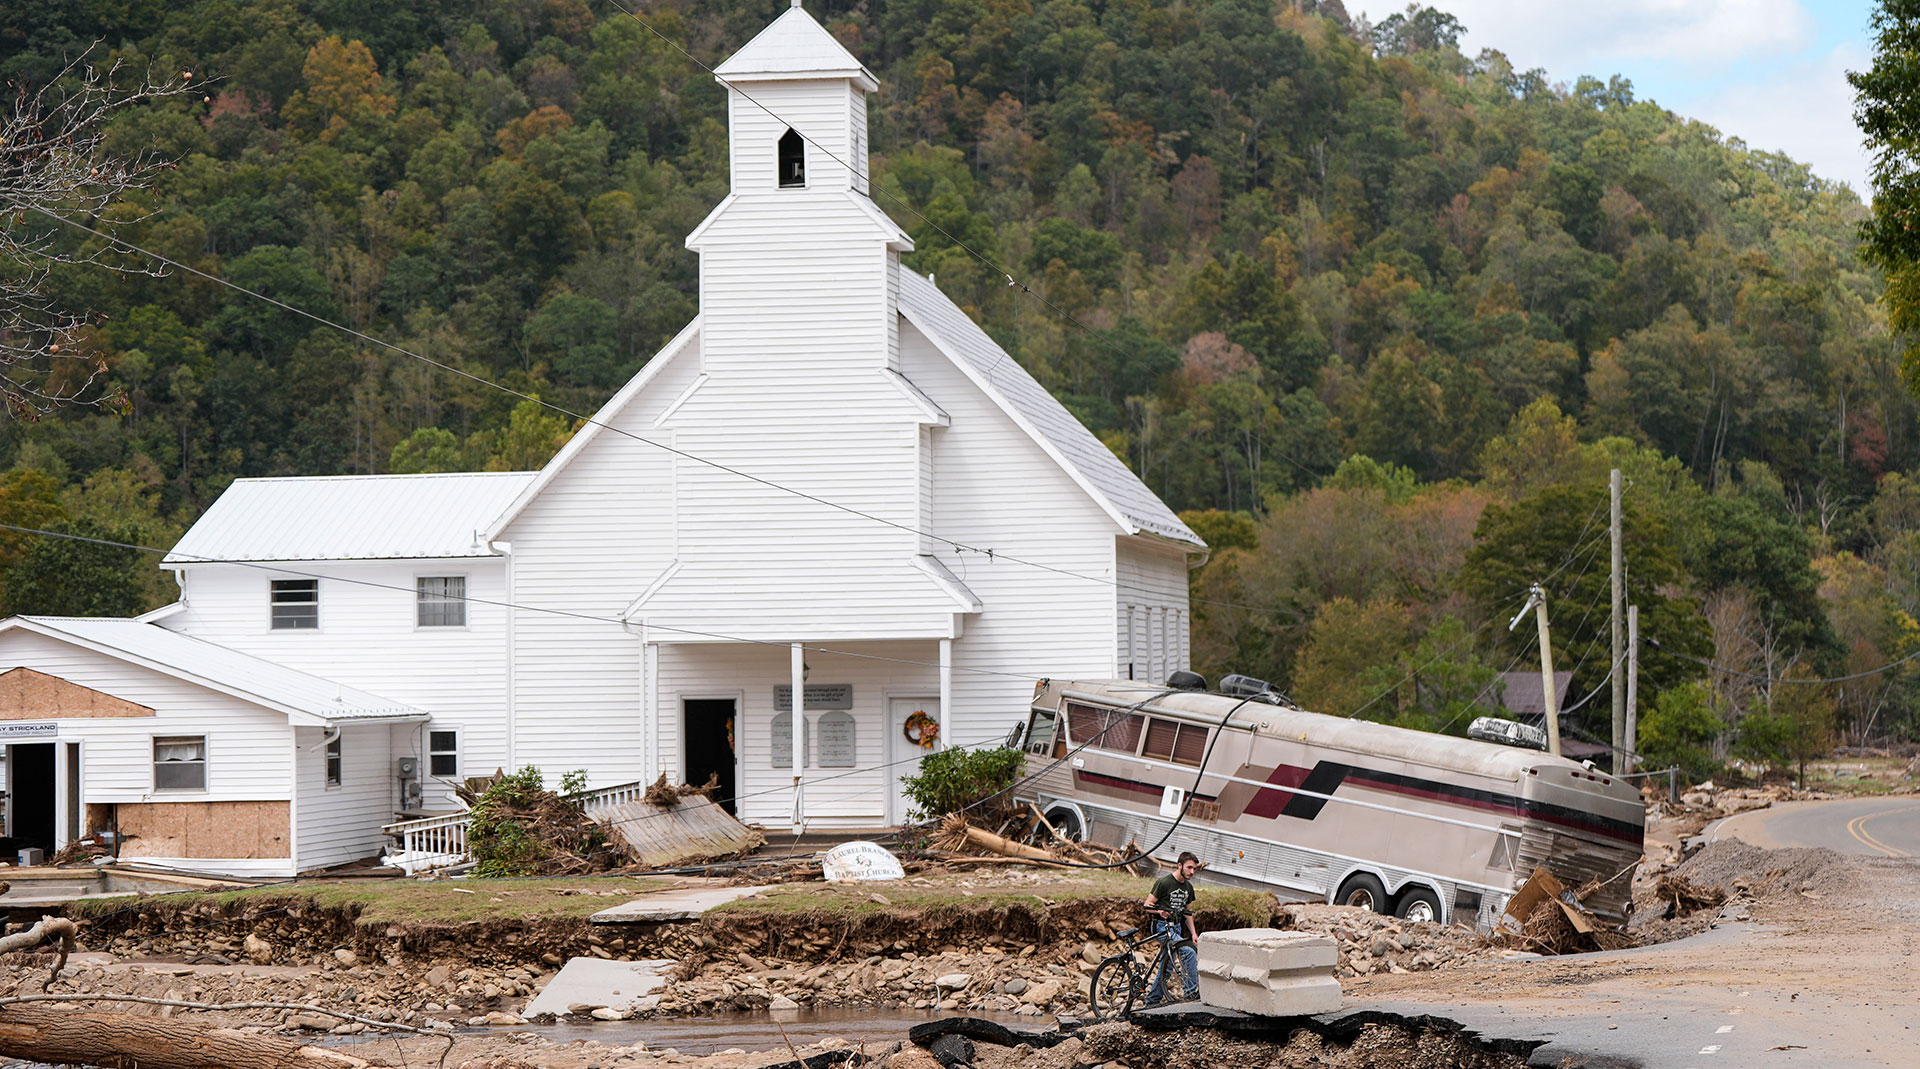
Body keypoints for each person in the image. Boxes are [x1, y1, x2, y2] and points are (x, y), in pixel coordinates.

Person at [1142, 851, 1200, 1005]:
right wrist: (1159, 911)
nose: (1192, 872)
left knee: (1167, 966)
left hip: (1177, 928)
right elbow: (1147, 905)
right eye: (1189, 868)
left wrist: (1194, 934)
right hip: (1161, 927)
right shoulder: (1164, 882)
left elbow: (1187, 913)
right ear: (1179, 865)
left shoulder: (1188, 887)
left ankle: (1152, 1000)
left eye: (1194, 869)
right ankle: (1191, 993)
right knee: (1188, 952)